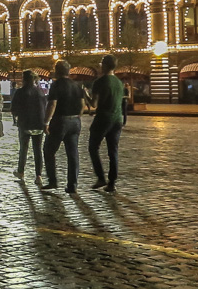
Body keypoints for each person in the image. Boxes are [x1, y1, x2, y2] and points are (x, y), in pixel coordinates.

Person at [41, 61, 85, 193]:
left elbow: (52, 104)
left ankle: (53, 181)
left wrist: (46, 122)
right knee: (72, 154)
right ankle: (72, 185)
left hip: (60, 121)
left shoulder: (56, 85)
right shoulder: (77, 85)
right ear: (69, 71)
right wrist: (77, 116)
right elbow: (82, 105)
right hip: (75, 121)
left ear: (57, 71)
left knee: (49, 150)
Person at [87, 55, 127, 191]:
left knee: (93, 147)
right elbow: (113, 101)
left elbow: (93, 103)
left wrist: (85, 94)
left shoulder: (99, 82)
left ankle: (100, 178)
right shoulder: (119, 82)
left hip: (103, 119)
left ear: (104, 65)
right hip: (117, 119)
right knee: (113, 151)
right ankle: (112, 183)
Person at [10, 70, 45, 185]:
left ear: (24, 79)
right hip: (39, 124)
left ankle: (21, 171)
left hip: (25, 124)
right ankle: (38, 175)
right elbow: (44, 106)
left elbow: (13, 109)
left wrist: (18, 115)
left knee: (23, 149)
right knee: (37, 150)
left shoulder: (20, 92)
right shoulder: (40, 91)